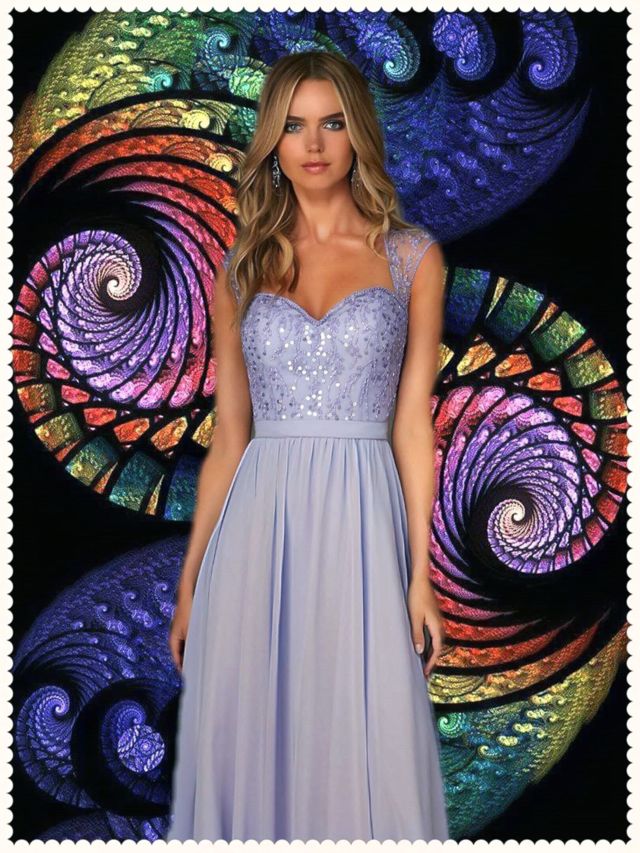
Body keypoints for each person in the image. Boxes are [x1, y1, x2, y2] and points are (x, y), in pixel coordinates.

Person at [165, 50, 449, 843]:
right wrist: (191, 583)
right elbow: (230, 436)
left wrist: (420, 574)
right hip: (259, 528)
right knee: (256, 741)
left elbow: (413, 425)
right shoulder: (242, 267)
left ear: (359, 135)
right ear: (273, 141)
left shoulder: (412, 258)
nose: (314, 144)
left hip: (365, 523)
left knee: (367, 743)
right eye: (293, 126)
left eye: (332, 123)